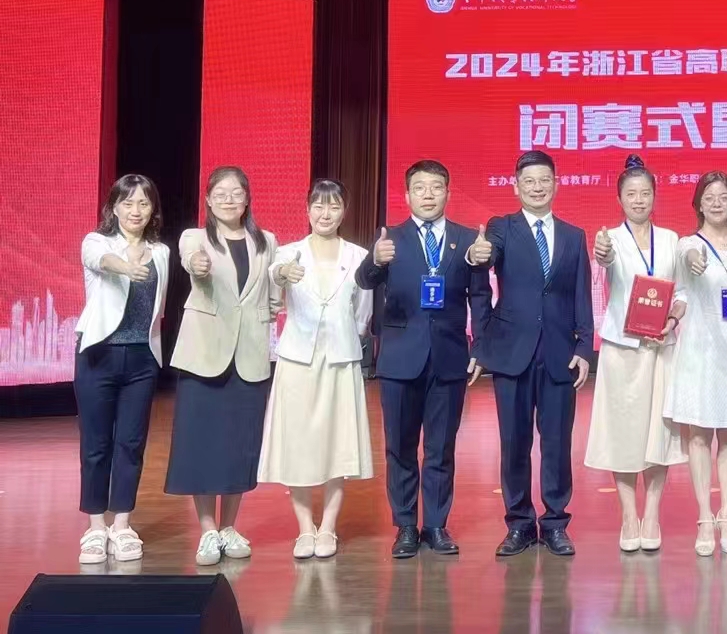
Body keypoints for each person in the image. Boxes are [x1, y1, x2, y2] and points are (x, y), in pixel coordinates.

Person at [356, 159, 488, 559]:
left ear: (448, 192)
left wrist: (481, 347)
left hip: (449, 357)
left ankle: (436, 525)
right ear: (407, 195)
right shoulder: (390, 239)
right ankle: (405, 526)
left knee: (440, 447)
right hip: (400, 359)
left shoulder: (467, 240)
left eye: (435, 187)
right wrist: (375, 260)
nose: (428, 195)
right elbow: (364, 280)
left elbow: (481, 297)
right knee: (399, 446)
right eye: (419, 188)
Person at [472, 150, 595, 559]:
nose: (537, 187)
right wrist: (476, 255)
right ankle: (520, 524)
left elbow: (582, 296)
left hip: (559, 354)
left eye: (544, 180)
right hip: (513, 352)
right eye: (529, 181)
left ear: (556, 184)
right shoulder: (501, 228)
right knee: (515, 442)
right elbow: (485, 265)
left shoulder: (574, 235)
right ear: (516, 186)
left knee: (557, 444)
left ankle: (556, 523)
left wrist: (584, 346)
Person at [167, 166, 281, 566]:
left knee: (239, 445)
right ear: (208, 200)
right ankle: (207, 531)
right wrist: (197, 264)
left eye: (236, 193)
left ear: (247, 199)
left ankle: (230, 526)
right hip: (204, 353)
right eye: (221, 194)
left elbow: (272, 294)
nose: (229, 200)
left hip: (249, 355)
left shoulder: (267, 241)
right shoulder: (195, 238)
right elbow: (191, 259)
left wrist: (271, 314)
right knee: (201, 444)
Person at [258, 179, 375, 559]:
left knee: (339, 443)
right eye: (319, 206)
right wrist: (281, 275)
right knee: (298, 444)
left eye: (334, 206)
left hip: (340, 359)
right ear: (307, 209)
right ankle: (304, 528)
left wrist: (347, 337)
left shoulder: (358, 257)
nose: (326, 214)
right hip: (297, 360)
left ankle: (328, 528)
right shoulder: (287, 253)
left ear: (344, 212)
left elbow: (362, 313)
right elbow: (274, 282)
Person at [585, 154, 685, 552]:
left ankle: (652, 514)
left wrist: (672, 319)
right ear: (619, 199)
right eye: (631, 194)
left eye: (645, 193)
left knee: (659, 433)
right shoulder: (609, 238)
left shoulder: (672, 240)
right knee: (623, 433)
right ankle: (628, 515)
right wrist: (602, 251)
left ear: (655, 196)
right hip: (622, 349)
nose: (639, 200)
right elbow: (604, 262)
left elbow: (681, 293)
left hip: (661, 347)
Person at [75, 174, 169, 565]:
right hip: (98, 354)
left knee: (131, 444)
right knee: (96, 444)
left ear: (152, 209)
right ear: (114, 207)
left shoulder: (161, 252)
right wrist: (126, 267)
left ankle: (122, 524)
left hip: (142, 359)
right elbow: (100, 261)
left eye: (143, 203)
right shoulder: (97, 242)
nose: (135, 210)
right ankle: (96, 527)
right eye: (127, 203)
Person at [668, 171, 727, 557]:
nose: (717, 203)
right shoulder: (687, 245)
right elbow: (683, 286)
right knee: (700, 436)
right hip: (699, 351)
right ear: (699, 204)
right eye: (709, 197)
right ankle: (705, 517)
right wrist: (693, 262)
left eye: (724, 196)